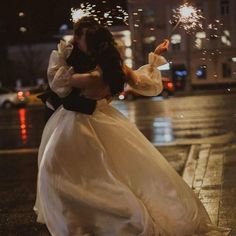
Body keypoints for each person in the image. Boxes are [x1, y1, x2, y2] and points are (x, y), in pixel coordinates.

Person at [34, 16, 230, 235]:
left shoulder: (92, 76)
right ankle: (87, 218)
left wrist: (60, 59)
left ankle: (90, 220)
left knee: (62, 171)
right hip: (106, 118)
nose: (76, 41)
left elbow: (59, 81)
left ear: (91, 43)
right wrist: (155, 57)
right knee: (110, 173)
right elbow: (144, 81)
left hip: (79, 123)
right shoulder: (116, 67)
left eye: (80, 38)